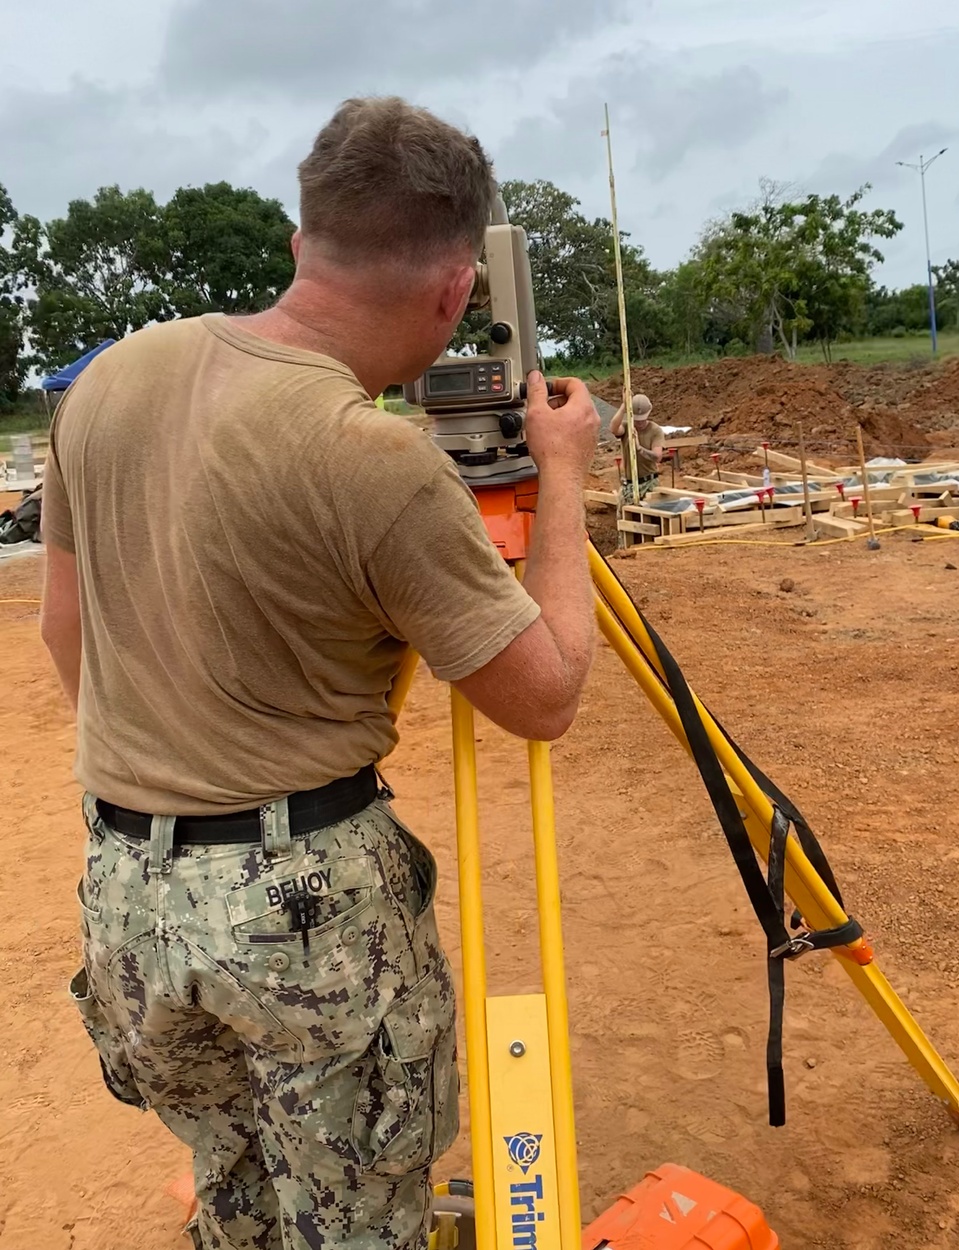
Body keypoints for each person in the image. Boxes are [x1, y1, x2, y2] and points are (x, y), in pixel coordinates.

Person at [40, 96, 599, 1250]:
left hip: (128, 896)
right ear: (459, 292)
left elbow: (64, 633)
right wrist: (566, 481)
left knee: (233, 1186)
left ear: (302, 243)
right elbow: (542, 697)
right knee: (353, 1223)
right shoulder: (375, 459)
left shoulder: (108, 381)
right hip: (303, 910)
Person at [609, 392, 664, 502]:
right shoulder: (626, 427)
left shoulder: (655, 430)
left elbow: (657, 457)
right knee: (624, 514)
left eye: (642, 419)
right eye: (637, 420)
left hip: (649, 483)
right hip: (630, 484)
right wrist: (624, 405)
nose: (640, 423)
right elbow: (613, 428)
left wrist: (639, 448)